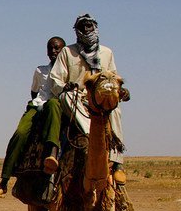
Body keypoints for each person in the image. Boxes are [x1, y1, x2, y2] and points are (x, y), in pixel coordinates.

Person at [45, 14, 128, 179]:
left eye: (89, 26)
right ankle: (90, 134)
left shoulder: (106, 52)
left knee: (116, 109)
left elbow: (113, 77)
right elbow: (55, 79)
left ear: (95, 28)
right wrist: (64, 86)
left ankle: (117, 161)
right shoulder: (68, 52)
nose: (86, 30)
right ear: (76, 31)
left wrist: (120, 89)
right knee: (68, 96)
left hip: (99, 99)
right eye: (82, 27)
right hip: (77, 98)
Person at [0, 36, 66, 198]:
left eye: (57, 48)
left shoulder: (69, 71)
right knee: (20, 133)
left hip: (59, 106)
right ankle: (4, 182)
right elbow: (34, 91)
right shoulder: (40, 70)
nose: (53, 52)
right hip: (38, 105)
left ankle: (53, 153)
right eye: (50, 48)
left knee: (55, 105)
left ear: (64, 51)